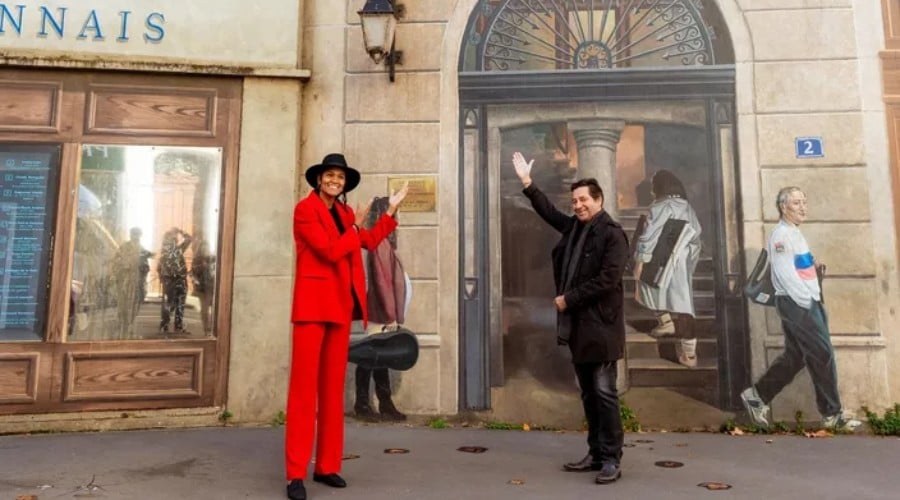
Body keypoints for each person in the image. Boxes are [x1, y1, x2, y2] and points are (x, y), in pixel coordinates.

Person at [286, 153, 408, 500]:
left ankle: (326, 466)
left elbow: (366, 241)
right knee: (303, 393)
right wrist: (356, 228)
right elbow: (328, 251)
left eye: (340, 176)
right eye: (330, 175)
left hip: (340, 308)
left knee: (331, 391)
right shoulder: (304, 210)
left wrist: (390, 212)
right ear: (319, 179)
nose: (335, 181)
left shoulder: (344, 213)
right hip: (311, 308)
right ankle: (296, 473)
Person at [511, 151, 629, 485]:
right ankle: (595, 454)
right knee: (589, 394)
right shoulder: (577, 228)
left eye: (583, 200)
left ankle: (611, 458)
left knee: (605, 393)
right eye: (574, 200)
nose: (577, 205)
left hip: (602, 327)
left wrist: (568, 298)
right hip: (580, 327)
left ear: (599, 200)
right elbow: (549, 213)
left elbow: (608, 279)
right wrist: (528, 183)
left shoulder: (612, 234)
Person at [740, 187, 861, 431]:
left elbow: (799, 268)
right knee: (822, 353)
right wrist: (807, 302)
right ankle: (832, 414)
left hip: (805, 301)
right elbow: (785, 275)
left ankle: (757, 396)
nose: (803, 207)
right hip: (798, 303)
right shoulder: (782, 235)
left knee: (795, 357)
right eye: (796, 203)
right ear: (784, 207)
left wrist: (813, 270)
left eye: (804, 202)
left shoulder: (794, 233)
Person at [632, 170, 702, 368]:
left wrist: (640, 260)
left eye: (653, 185)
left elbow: (649, 236)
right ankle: (689, 354)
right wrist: (690, 262)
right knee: (683, 305)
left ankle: (665, 321)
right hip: (682, 260)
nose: (652, 189)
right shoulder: (687, 207)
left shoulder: (660, 206)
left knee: (645, 286)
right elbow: (697, 236)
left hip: (659, 258)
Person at [354, 196, 409, 422]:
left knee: (377, 357)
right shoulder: (381, 245)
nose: (397, 219)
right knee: (370, 357)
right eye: (394, 213)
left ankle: (381, 404)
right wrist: (390, 315)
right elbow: (381, 282)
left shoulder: (383, 242)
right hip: (380, 312)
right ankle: (365, 404)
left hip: (381, 311)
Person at [111, 227, 152, 339]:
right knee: (123, 306)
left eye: (138, 235)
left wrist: (143, 269)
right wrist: (123, 267)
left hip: (137, 282)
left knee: (136, 304)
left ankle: (130, 325)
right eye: (134, 234)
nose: (136, 237)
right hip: (125, 282)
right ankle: (122, 328)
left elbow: (146, 266)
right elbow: (116, 261)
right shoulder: (124, 247)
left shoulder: (142, 249)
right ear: (131, 235)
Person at [158, 228, 192, 334]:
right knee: (169, 304)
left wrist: (180, 231)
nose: (173, 241)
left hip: (181, 280)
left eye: (174, 239)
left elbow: (189, 239)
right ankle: (164, 324)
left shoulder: (178, 249)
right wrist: (163, 278)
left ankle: (178, 326)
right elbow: (160, 270)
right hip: (170, 281)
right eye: (171, 239)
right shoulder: (164, 255)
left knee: (180, 304)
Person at [191, 239, 216, 334]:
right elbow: (193, 272)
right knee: (204, 309)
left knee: (214, 308)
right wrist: (201, 267)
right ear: (200, 248)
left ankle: (213, 327)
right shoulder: (197, 259)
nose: (205, 248)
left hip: (212, 286)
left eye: (206, 246)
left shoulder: (213, 258)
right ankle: (206, 328)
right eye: (203, 246)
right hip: (202, 288)